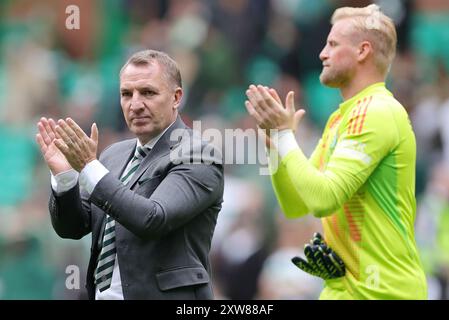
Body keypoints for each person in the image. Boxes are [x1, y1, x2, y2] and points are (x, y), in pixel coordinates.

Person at [244, 4, 427, 299]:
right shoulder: (340, 118)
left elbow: (322, 199)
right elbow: (296, 205)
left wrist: (284, 135)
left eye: (332, 44)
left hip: (384, 293)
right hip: (344, 289)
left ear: (362, 51)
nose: (322, 54)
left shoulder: (377, 111)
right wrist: (277, 145)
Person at [36, 49, 224, 300]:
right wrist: (64, 178)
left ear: (176, 97)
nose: (135, 104)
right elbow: (73, 227)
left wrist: (90, 167)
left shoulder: (198, 153)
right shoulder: (113, 155)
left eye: (148, 92)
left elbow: (152, 219)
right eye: (126, 94)